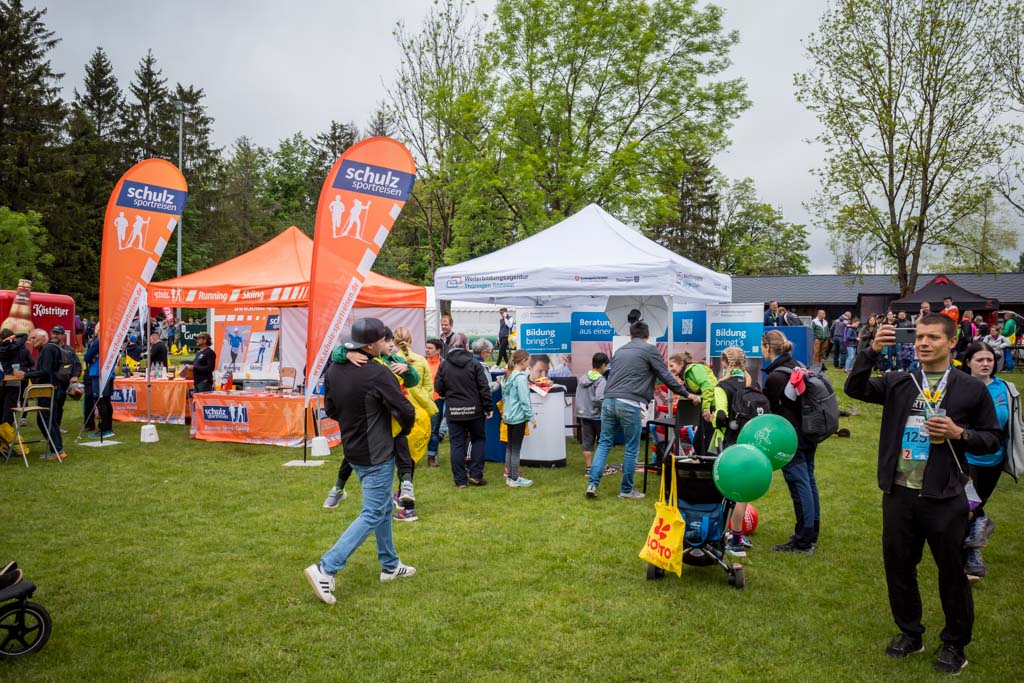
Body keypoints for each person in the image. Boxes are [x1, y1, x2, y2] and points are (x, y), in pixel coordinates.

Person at [845, 313, 1001, 674]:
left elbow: (992, 437)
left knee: (951, 572)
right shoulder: (902, 380)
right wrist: (870, 351)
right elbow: (854, 388)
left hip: (945, 496)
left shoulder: (970, 388)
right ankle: (910, 634)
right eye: (918, 337)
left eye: (932, 337)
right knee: (899, 568)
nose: (923, 343)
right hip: (900, 492)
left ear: (951, 342)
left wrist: (959, 432)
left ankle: (955, 644)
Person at [304, 318, 417, 605]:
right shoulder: (378, 374)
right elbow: (405, 409)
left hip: (353, 449)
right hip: (376, 452)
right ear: (369, 345)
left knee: (381, 510)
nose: (387, 343)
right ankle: (326, 569)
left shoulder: (335, 369)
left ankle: (390, 565)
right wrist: (401, 431)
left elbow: (330, 408)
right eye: (382, 340)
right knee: (373, 512)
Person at [585, 321, 698, 499]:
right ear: (647, 336)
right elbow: (666, 376)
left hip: (608, 401)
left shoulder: (620, 351)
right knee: (631, 447)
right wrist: (687, 394)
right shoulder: (650, 350)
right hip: (630, 403)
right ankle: (626, 490)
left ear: (630, 336)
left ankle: (592, 484)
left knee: (604, 443)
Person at [323, 327, 423, 522]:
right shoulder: (362, 363)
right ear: (373, 344)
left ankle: (407, 491)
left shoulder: (394, 361)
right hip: (376, 427)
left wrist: (408, 370)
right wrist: (347, 353)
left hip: (392, 420)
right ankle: (338, 488)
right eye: (386, 341)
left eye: (391, 341)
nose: (390, 345)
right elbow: (337, 352)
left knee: (403, 453)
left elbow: (413, 382)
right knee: (372, 509)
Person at [961, 341, 1016, 582]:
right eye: (980, 360)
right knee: (965, 507)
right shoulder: (960, 387)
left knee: (974, 505)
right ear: (968, 362)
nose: (985, 364)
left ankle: (980, 523)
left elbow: (1013, 423)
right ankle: (972, 558)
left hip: (993, 459)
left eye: (989, 360)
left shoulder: (1006, 389)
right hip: (964, 457)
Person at [762, 330, 820, 554]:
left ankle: (804, 540)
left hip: (791, 437)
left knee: (799, 484)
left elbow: (769, 408)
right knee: (809, 481)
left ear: (768, 347)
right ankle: (811, 531)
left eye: (762, 346)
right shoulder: (796, 364)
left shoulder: (777, 376)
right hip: (808, 431)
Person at [434, 332, 492, 488]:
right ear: (467, 346)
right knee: (478, 440)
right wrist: (488, 407)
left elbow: (438, 388)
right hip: (475, 410)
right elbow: (484, 387)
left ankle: (460, 481)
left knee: (457, 444)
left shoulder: (444, 365)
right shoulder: (474, 364)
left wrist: (448, 394)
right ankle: (476, 475)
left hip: (454, 411)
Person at [718, 346, 754, 557]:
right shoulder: (752, 383)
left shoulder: (723, 385)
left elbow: (720, 417)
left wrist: (711, 414)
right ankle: (738, 539)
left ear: (725, 363)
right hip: (749, 443)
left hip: (728, 443)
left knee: (726, 491)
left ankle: (731, 538)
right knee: (743, 493)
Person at [24, 328, 66, 460]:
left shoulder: (47, 349)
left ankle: (57, 450)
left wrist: (25, 374)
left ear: (43, 337)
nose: (31, 341)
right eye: (30, 339)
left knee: (45, 420)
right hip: (51, 388)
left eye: (34, 338)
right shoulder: (48, 349)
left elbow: (46, 371)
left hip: (47, 389)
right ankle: (58, 449)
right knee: (49, 420)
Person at [673, 351, 725, 455]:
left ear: (681, 363)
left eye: (671, 365)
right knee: (698, 443)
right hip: (708, 405)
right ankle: (705, 467)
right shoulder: (686, 374)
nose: (670, 369)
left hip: (712, 406)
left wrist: (706, 409)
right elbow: (701, 390)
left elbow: (708, 387)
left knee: (708, 444)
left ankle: (712, 468)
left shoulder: (694, 369)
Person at [501, 349, 535, 487]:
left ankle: (510, 477)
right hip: (518, 417)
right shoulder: (520, 378)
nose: (529, 363)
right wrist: (530, 416)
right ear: (523, 361)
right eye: (528, 360)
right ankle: (514, 478)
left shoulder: (509, 376)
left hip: (509, 416)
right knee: (515, 449)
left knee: (510, 447)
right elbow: (524, 400)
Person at [576, 352, 609, 473]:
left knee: (587, 442)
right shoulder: (601, 381)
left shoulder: (583, 378)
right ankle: (601, 468)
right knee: (603, 443)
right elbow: (599, 399)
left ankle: (589, 469)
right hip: (598, 416)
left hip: (584, 415)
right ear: (604, 365)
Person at [83, 331, 114, 438]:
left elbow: (87, 357)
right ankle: (108, 427)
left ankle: (104, 428)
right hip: (109, 372)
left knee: (100, 400)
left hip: (98, 372)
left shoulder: (99, 340)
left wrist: (90, 358)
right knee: (106, 400)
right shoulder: (112, 339)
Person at [424, 338, 444, 467]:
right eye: (426, 347)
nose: (427, 350)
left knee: (434, 429)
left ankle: (431, 456)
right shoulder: (422, 362)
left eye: (430, 348)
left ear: (438, 350)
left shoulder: (444, 364)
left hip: (437, 400)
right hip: (422, 400)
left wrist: (444, 393)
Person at [0, 329, 26, 426]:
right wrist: (14, 335)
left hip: (3, 378)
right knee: (10, 407)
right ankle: (7, 429)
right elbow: (25, 335)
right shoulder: (15, 347)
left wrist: (5, 339)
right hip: (14, 378)